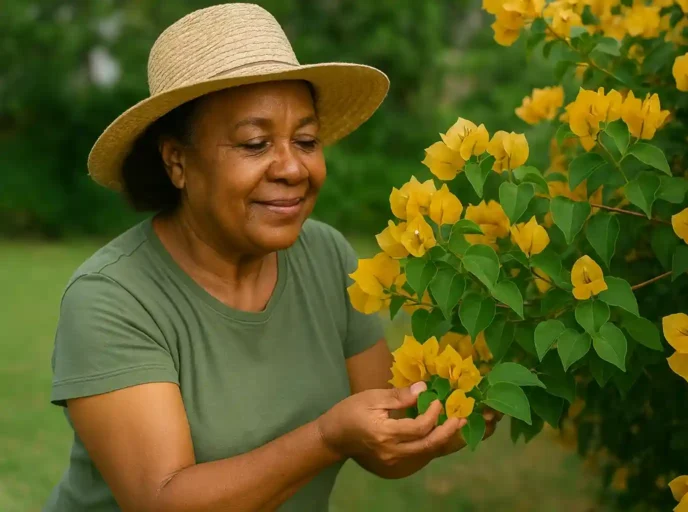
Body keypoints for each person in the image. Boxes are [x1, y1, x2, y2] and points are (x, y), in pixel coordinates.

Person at [43, 4, 500, 512]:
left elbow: (382, 444)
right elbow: (162, 500)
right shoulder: (112, 299)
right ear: (177, 161)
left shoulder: (326, 256)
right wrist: (326, 437)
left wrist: (456, 412)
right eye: (255, 143)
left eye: (306, 140)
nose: (291, 167)